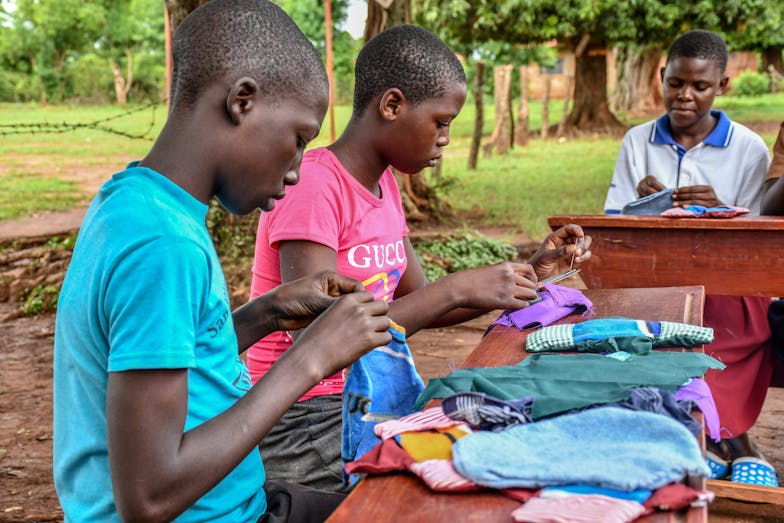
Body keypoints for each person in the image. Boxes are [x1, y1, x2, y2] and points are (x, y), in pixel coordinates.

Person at [52, 1, 394, 521]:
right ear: (242, 101)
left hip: (239, 501)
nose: (298, 171)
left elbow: (162, 359)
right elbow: (148, 497)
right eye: (298, 139)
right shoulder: (162, 244)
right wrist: (310, 359)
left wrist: (266, 315)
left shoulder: (138, 202)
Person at [247, 24, 592, 493]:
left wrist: (527, 273)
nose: (446, 138)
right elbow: (320, 342)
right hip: (302, 417)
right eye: (442, 121)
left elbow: (424, 303)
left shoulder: (384, 185)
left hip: (362, 397)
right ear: (392, 106)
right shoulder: (315, 186)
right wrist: (458, 287)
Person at [603, 29, 777, 487]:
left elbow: (759, 242)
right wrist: (644, 204)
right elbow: (614, 225)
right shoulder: (638, 141)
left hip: (732, 288)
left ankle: (718, 437)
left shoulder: (749, 148)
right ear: (662, 77)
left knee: (714, 325)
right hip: (653, 279)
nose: (685, 96)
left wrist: (721, 207)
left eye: (700, 86)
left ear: (722, 87)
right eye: (676, 83)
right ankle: (726, 442)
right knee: (656, 321)